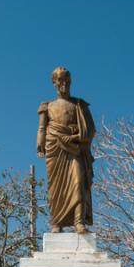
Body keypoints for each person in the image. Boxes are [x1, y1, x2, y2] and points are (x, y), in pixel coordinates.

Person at [37, 66, 96, 234]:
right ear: (54, 83)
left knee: (78, 182)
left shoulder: (79, 105)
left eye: (67, 81)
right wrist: (40, 142)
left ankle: (79, 222)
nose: (65, 84)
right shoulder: (47, 106)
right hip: (55, 148)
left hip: (76, 148)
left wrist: (74, 137)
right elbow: (42, 127)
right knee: (56, 188)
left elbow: (90, 129)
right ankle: (57, 223)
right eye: (61, 81)